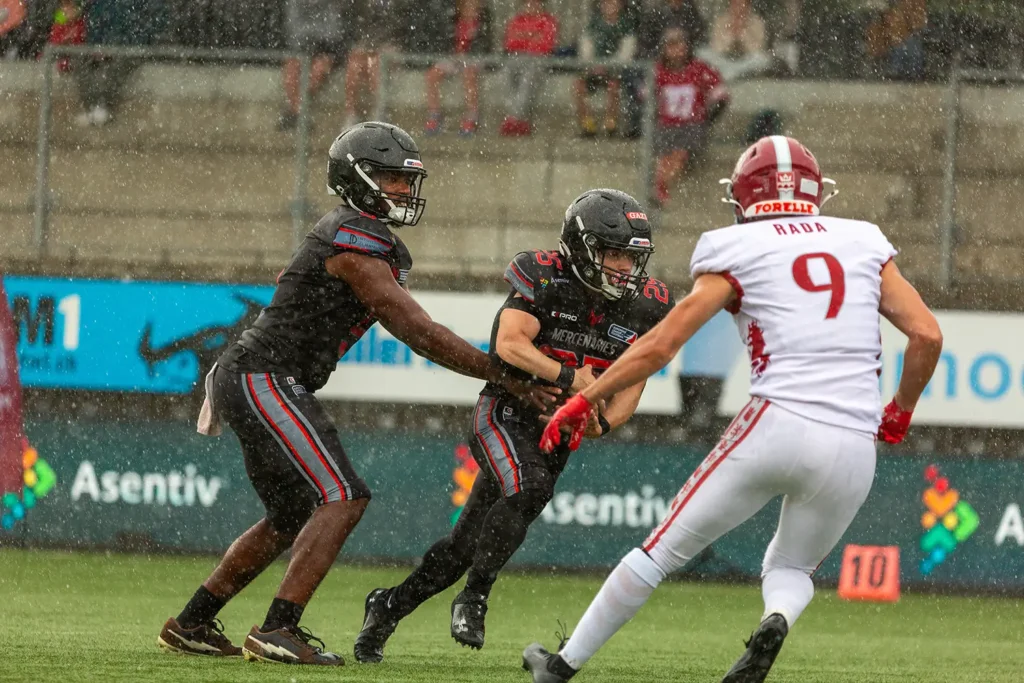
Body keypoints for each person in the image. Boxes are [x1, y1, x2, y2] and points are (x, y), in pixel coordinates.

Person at [523, 135, 943, 683]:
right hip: (852, 441)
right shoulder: (862, 239)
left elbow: (661, 345)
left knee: (659, 553)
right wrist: (901, 411)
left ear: (745, 195)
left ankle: (561, 665)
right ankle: (775, 618)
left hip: (778, 422)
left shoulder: (736, 246)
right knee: (791, 567)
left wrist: (586, 398)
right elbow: (927, 335)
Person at [156, 122, 554, 666]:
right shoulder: (355, 239)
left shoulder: (353, 236)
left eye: (404, 179)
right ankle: (278, 628)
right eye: (391, 177)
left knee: (292, 512)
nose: (402, 190)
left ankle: (194, 621)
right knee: (344, 494)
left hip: (254, 373)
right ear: (357, 177)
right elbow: (417, 329)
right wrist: (503, 374)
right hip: (264, 375)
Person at [353, 189, 674, 664]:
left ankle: (387, 606)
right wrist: (570, 379)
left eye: (632, 256)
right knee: (529, 487)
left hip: (561, 427)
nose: (625, 268)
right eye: (614, 254)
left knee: (465, 545)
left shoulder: (646, 304)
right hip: (505, 411)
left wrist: (599, 423)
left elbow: (634, 384)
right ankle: (476, 597)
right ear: (582, 248)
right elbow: (509, 344)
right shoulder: (544, 275)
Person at [651, 27, 729, 208]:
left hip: (691, 126)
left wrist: (706, 119)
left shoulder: (699, 69)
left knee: (680, 153)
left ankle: (661, 189)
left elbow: (721, 95)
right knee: (664, 157)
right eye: (671, 46)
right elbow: (646, 98)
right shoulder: (658, 71)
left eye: (679, 45)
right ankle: (660, 188)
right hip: (666, 126)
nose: (676, 50)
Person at [421, 0, 492, 137]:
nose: (471, 9)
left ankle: (471, 116)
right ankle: (434, 114)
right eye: (468, 6)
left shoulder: (483, 23)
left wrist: (468, 53)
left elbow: (484, 45)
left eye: (474, 6)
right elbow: (445, 41)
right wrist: (453, 53)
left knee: (469, 74)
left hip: (473, 58)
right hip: (454, 57)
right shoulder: (453, 20)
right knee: (432, 75)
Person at [278, 0, 346, 131]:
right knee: (291, 67)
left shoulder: (330, 5)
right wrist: (310, 40)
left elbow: (334, 33)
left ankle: (295, 111)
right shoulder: (294, 4)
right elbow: (292, 29)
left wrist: (315, 41)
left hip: (324, 50)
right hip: (301, 48)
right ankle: (300, 111)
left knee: (320, 68)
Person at [573, 0, 636, 137]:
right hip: (594, 68)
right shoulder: (594, 23)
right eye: (605, 3)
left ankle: (611, 124)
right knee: (579, 85)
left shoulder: (627, 25)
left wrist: (608, 66)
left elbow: (626, 53)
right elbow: (586, 47)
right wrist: (592, 64)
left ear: (620, 6)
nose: (608, 6)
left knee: (614, 86)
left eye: (612, 3)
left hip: (615, 69)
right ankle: (588, 124)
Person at [499, 0, 559, 137]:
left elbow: (545, 45)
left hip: (539, 58)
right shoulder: (516, 20)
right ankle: (520, 119)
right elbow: (510, 44)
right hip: (518, 57)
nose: (531, 6)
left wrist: (524, 38)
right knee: (505, 72)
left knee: (528, 78)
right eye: (529, 3)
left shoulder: (549, 21)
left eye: (535, 4)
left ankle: (514, 118)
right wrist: (532, 37)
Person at [342, 0, 402, 127]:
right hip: (367, 44)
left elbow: (399, 27)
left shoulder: (396, 5)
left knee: (376, 65)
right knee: (354, 66)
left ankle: (379, 113)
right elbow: (354, 27)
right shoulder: (359, 5)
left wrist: (375, 48)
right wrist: (365, 48)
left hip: (392, 45)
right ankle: (351, 114)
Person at [698, 0, 772, 81]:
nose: (739, 8)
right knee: (702, 53)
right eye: (736, 4)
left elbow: (757, 49)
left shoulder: (757, 22)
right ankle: (733, 75)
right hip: (724, 60)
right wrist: (731, 34)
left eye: (742, 4)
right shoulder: (720, 21)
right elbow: (717, 48)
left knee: (763, 59)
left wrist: (743, 32)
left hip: (747, 62)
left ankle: (734, 75)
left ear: (748, 6)